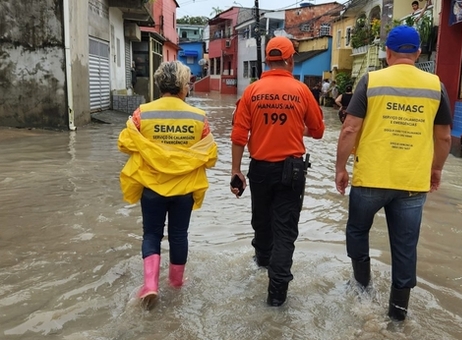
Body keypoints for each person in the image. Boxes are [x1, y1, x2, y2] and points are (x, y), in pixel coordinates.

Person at [334, 25, 452, 321]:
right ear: (418, 53)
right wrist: (436, 169)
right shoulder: (436, 85)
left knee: (357, 232)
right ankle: (398, 314)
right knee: (405, 247)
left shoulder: (370, 81)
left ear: (387, 53)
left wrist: (340, 167)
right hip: (412, 182)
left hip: (371, 179)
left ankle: (362, 289)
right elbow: (444, 138)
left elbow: (350, 128)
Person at [230, 36, 325, 307]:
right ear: (291, 60)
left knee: (261, 222)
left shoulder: (251, 91)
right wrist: (296, 127)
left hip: (259, 170)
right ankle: (276, 296)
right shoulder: (302, 91)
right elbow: (317, 131)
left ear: (267, 61)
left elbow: (239, 135)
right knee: (285, 231)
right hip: (292, 172)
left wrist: (236, 171)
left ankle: (261, 265)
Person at [118, 61, 218, 308]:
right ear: (183, 87)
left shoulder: (143, 113)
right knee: (178, 235)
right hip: (183, 191)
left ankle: (150, 285)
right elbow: (211, 155)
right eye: (188, 84)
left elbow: (124, 143)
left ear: (159, 84)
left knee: (151, 234)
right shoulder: (198, 118)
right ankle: (176, 283)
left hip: (151, 188)